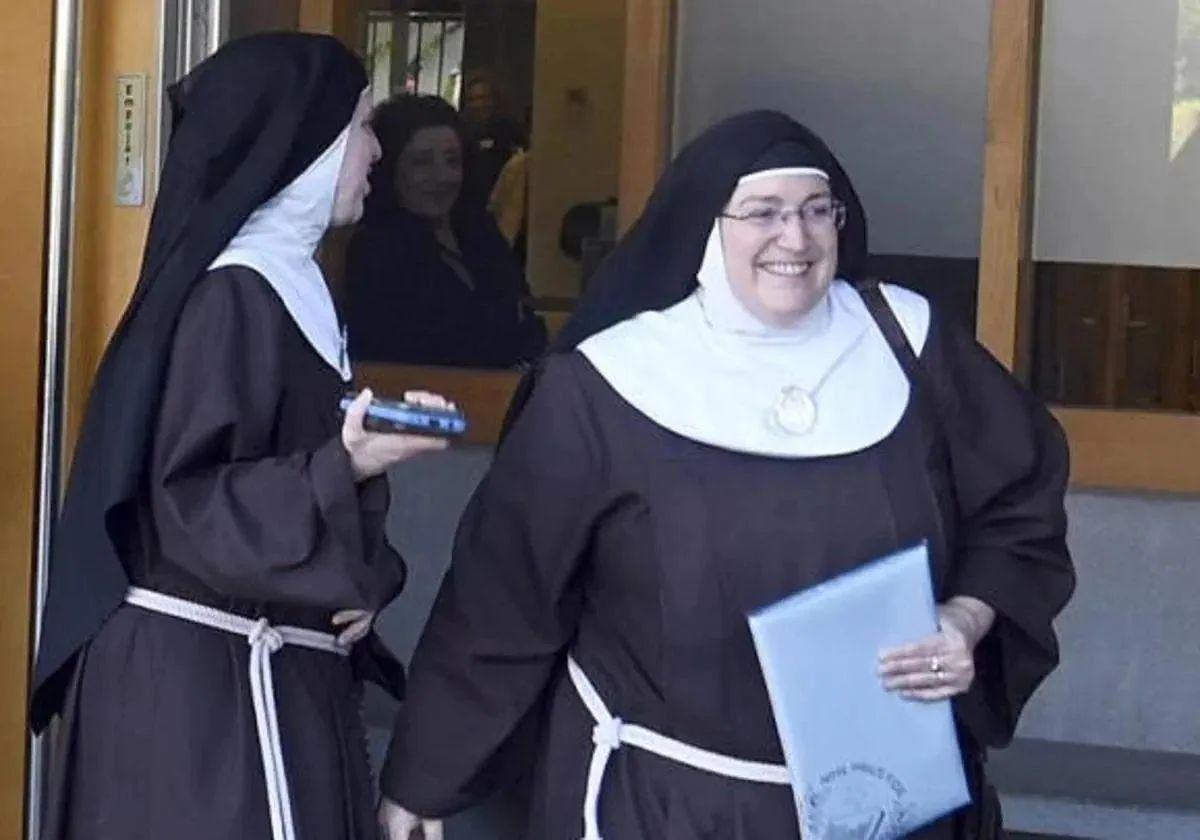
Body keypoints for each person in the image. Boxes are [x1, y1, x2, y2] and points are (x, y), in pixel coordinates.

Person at [375, 110, 1075, 839]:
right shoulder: (607, 385)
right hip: (667, 806)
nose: (795, 239)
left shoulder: (912, 346)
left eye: (816, 211)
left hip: (891, 805)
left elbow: (1019, 507)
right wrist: (426, 780)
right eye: (763, 214)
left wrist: (965, 619)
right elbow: (504, 599)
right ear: (707, 228)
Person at [31, 33, 451, 840]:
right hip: (197, 700)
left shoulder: (294, 288)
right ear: (305, 145)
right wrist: (346, 462)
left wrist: (357, 582)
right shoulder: (234, 295)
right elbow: (189, 498)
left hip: (254, 672)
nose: (374, 150)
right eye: (363, 125)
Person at [345, 94, 546, 368]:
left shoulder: (480, 231)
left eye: (452, 161)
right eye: (422, 162)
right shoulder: (375, 250)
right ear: (391, 169)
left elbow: (524, 314)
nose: (442, 176)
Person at [459, 72, 527, 210]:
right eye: (471, 99)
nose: (478, 104)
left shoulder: (510, 129)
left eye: (483, 98)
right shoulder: (460, 131)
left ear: (494, 99)